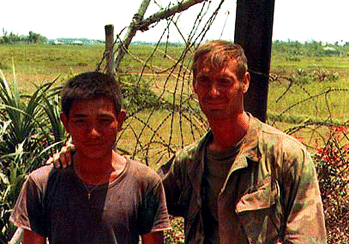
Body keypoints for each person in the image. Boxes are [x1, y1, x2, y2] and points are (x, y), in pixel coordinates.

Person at [49, 41, 327, 244]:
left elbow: (307, 239)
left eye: (224, 81)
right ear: (194, 85)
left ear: (245, 82)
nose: (213, 91)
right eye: (204, 81)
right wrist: (84, 154)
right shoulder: (189, 164)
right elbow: (132, 193)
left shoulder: (285, 156)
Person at [10, 72, 171, 244]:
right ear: (66, 123)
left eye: (104, 120)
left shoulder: (144, 183)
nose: (93, 133)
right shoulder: (43, 183)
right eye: (81, 121)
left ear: (120, 120)